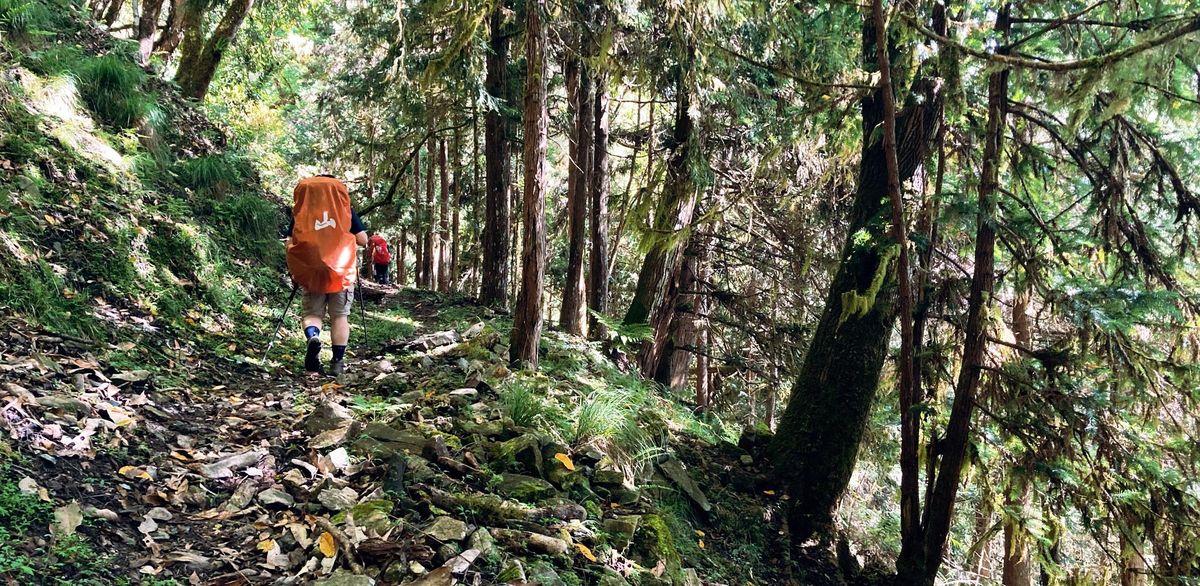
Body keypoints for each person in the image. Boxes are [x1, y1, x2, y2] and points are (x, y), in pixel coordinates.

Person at [285, 175, 368, 376]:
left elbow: (289, 241)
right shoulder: (345, 209)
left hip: (311, 271)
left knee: (313, 314)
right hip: (341, 271)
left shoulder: (302, 211)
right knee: (340, 316)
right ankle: (337, 362)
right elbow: (363, 240)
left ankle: (313, 337)